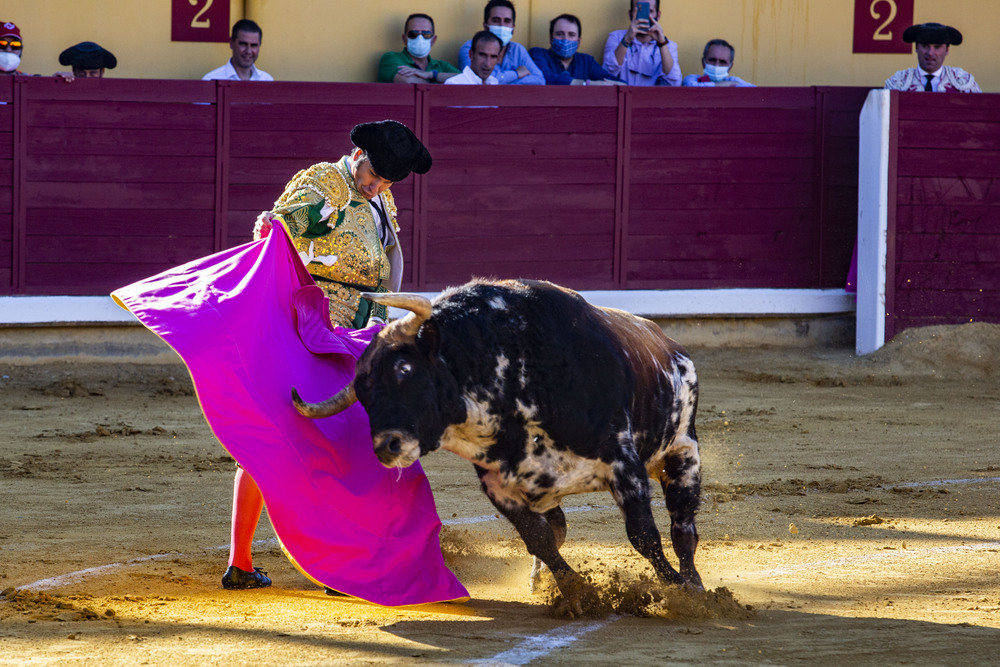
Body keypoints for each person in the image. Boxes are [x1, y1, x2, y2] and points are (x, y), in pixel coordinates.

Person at [220, 120, 432, 589]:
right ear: (357, 156)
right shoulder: (325, 183)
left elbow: (392, 252)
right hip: (314, 330)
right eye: (374, 176)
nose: (377, 187)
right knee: (281, 435)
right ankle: (242, 560)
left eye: (387, 183)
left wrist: (388, 313)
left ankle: (341, 558)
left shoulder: (380, 197)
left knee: (353, 440)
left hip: (360, 333)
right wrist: (270, 227)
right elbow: (276, 230)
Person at [458, 0, 544, 85]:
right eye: (496, 20)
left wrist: (507, 85)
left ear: (513, 28)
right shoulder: (470, 47)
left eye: (507, 21)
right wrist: (516, 74)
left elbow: (539, 80)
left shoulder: (518, 50)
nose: (502, 25)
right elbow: (479, 78)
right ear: (485, 26)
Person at [884, 22, 981, 93]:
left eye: (937, 47)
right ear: (916, 47)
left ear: (947, 50)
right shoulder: (898, 83)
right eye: (925, 46)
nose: (930, 53)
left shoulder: (964, 82)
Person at [603, 0, 681, 86]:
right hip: (622, 97)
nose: (645, 16)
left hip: (651, 98)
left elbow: (674, 83)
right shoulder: (616, 37)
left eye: (650, 11)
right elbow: (606, 73)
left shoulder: (669, 46)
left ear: (658, 15)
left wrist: (662, 44)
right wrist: (627, 39)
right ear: (630, 14)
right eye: (639, 10)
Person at [529, 14, 622, 86]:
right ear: (551, 38)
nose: (565, 39)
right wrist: (586, 84)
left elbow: (614, 81)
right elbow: (544, 77)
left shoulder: (587, 61)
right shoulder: (537, 54)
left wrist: (616, 84)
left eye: (571, 35)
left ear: (578, 41)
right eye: (559, 34)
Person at [378, 13, 460, 84]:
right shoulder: (391, 58)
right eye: (413, 34)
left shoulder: (442, 66)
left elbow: (465, 80)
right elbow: (409, 81)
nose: (420, 38)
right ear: (404, 38)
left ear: (433, 40)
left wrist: (431, 74)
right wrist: (443, 84)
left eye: (426, 34)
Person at [202, 19, 273, 82]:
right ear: (231, 43)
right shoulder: (211, 80)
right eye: (243, 44)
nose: (248, 51)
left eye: (253, 45)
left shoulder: (267, 80)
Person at [682, 39, 754, 87]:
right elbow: (691, 85)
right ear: (703, 63)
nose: (716, 65)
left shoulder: (733, 81)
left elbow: (755, 90)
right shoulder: (694, 79)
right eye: (712, 60)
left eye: (722, 62)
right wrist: (726, 85)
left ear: (730, 67)